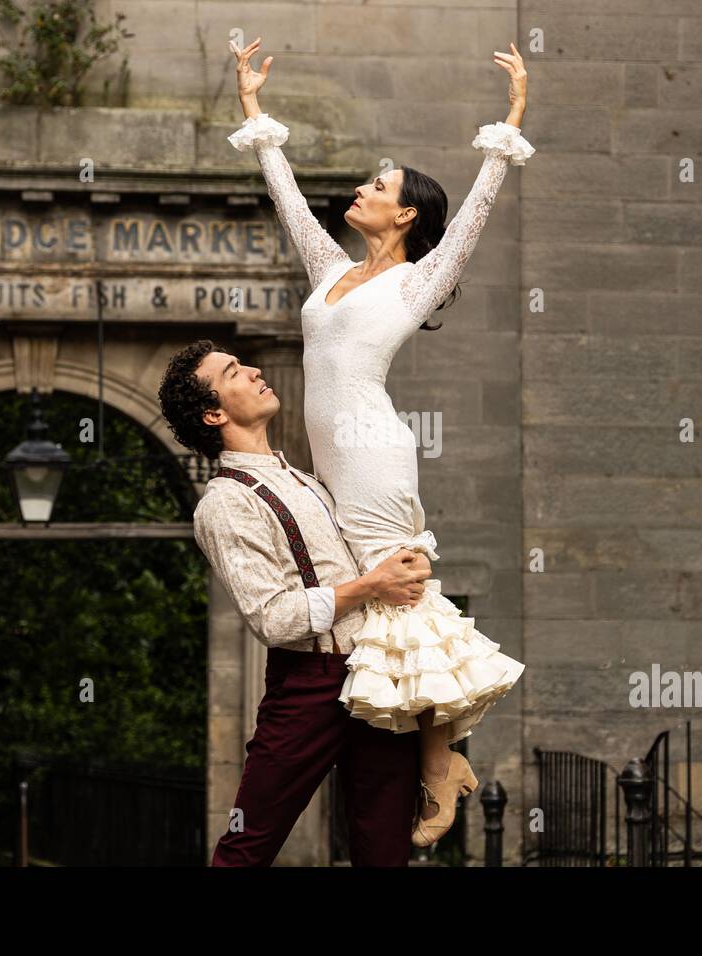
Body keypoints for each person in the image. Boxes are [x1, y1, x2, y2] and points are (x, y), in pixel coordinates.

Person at [224, 36, 530, 846]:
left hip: (370, 450)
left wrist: (507, 131)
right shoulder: (332, 271)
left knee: (395, 593)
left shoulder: (415, 277)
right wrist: (258, 116)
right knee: (391, 593)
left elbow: (469, 224)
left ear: (406, 215)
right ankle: (438, 757)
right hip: (339, 456)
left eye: (377, 185)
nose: (360, 190)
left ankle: (437, 761)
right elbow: (290, 206)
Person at [160, 341, 434, 865]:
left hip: (373, 671)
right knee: (249, 845)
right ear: (214, 413)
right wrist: (371, 585)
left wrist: (404, 562)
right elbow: (274, 617)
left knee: (385, 849)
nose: (255, 370)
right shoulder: (224, 504)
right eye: (234, 371)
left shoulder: (305, 479)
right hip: (308, 683)